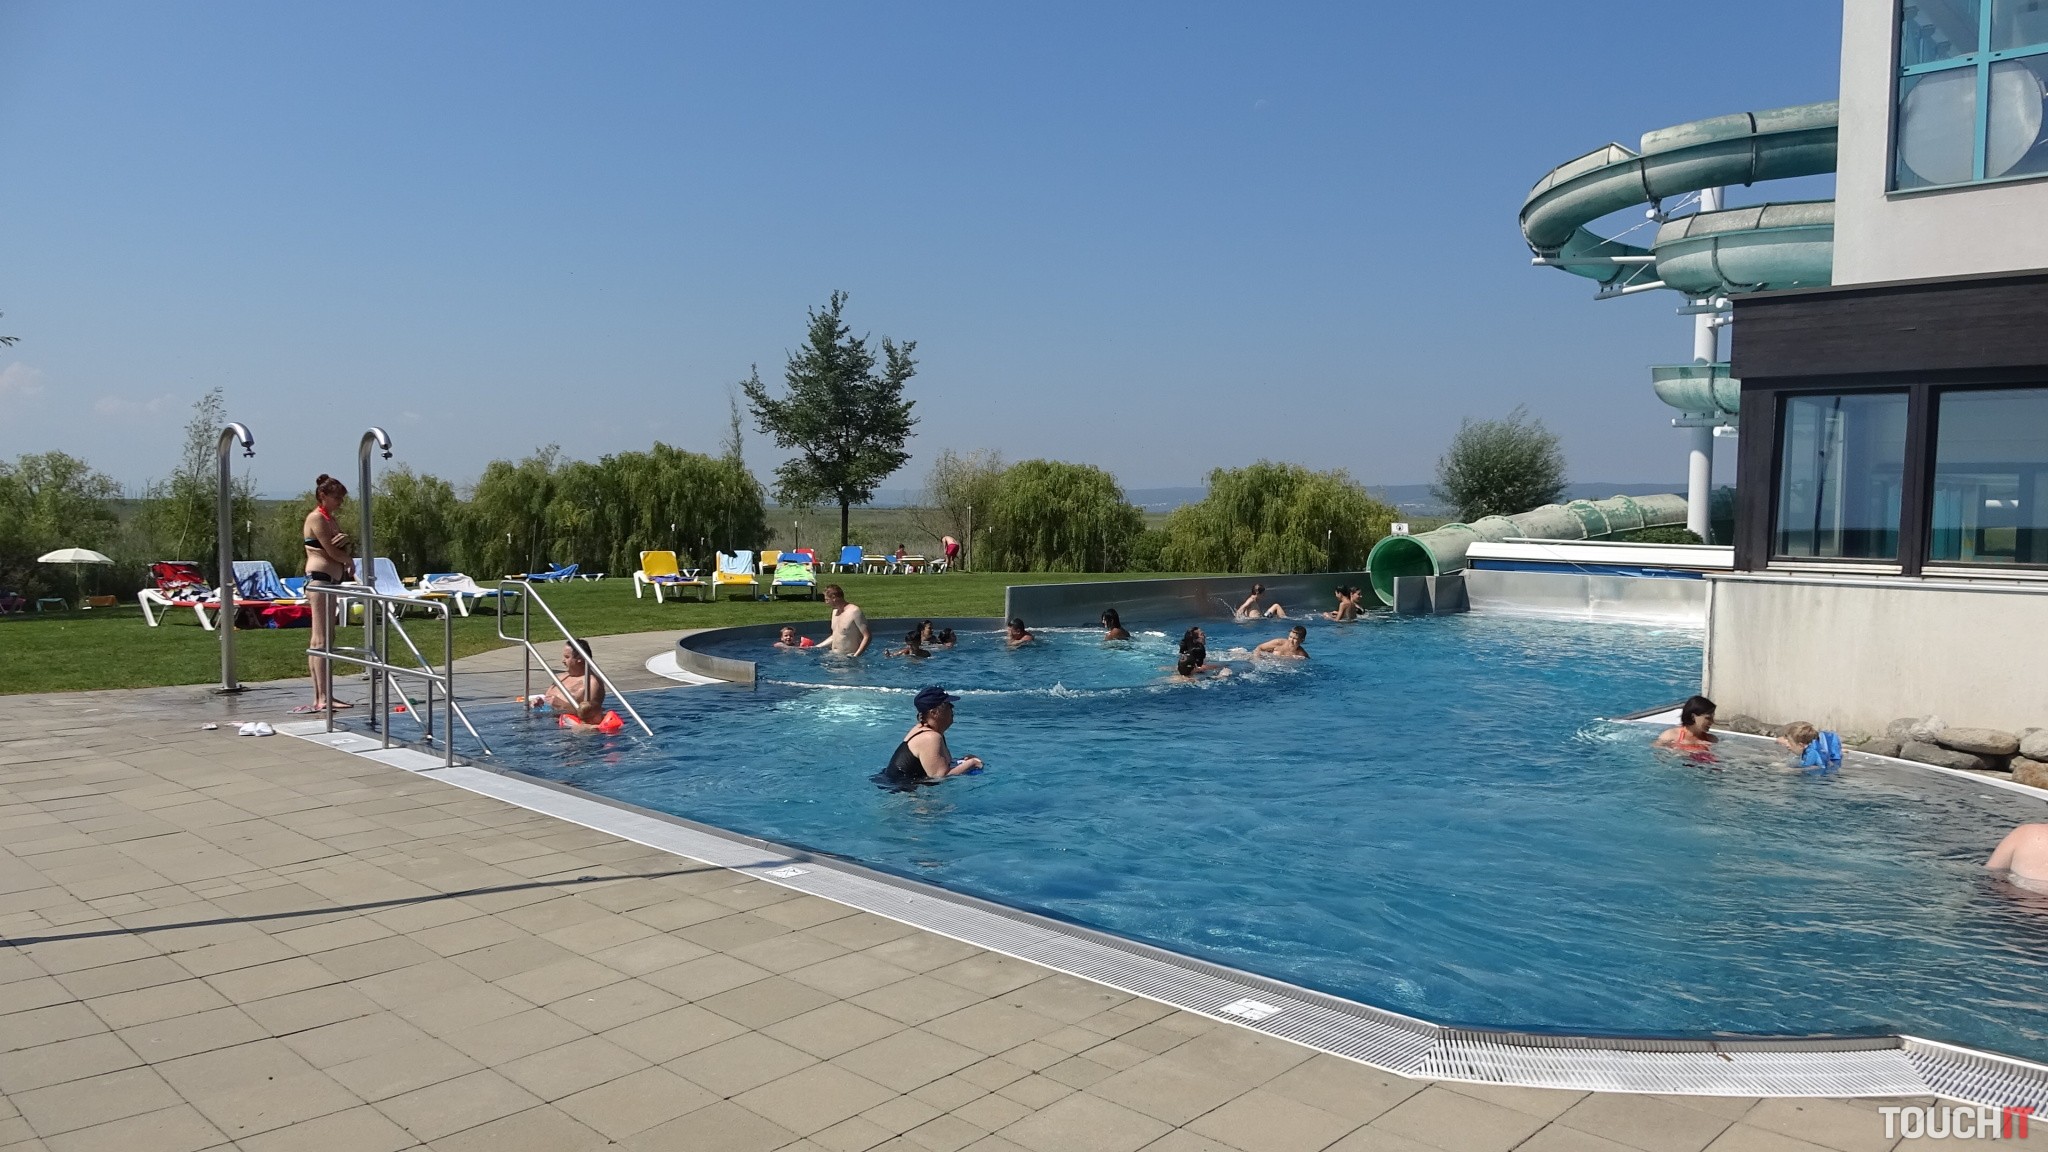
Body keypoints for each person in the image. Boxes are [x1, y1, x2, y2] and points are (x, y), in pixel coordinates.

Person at [293, 474, 355, 714]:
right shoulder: (316, 518)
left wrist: (345, 545)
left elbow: (336, 546)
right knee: (320, 639)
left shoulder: (331, 519)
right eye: (336, 497)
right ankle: (322, 697)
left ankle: (324, 694)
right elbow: (329, 550)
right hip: (319, 580)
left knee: (326, 637)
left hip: (331, 580)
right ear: (323, 495)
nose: (340, 501)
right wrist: (348, 559)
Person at [880, 686, 983, 786]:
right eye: (947, 705)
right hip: (902, 791)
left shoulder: (928, 730)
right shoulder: (930, 738)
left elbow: (938, 765)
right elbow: (940, 777)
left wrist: (963, 762)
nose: (952, 707)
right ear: (933, 713)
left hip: (902, 786)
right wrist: (972, 763)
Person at [536, 638, 607, 725]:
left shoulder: (591, 683)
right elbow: (546, 699)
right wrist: (539, 702)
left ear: (580, 659)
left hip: (570, 727)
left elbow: (592, 715)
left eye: (567, 657)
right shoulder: (561, 678)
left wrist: (563, 705)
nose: (563, 661)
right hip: (547, 721)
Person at [1654, 695, 1719, 751]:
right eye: (1708, 718)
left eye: (1712, 718)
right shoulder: (1670, 736)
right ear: (1693, 717)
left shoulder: (1712, 740)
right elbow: (1658, 755)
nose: (1712, 721)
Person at [822, 584, 871, 656]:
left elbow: (867, 636)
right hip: (833, 655)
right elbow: (837, 635)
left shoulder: (854, 611)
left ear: (834, 598)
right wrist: (815, 647)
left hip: (849, 657)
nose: (826, 602)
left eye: (827, 600)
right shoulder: (835, 612)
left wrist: (856, 656)